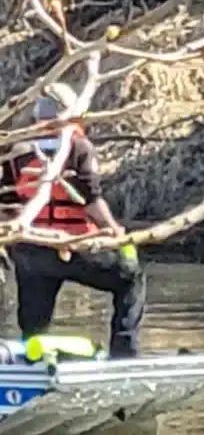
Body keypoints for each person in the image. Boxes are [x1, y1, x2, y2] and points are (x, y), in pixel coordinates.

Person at [2, 82, 145, 358]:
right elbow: (91, 201)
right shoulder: (79, 147)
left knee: (34, 321)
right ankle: (124, 353)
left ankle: (32, 360)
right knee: (131, 278)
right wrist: (116, 233)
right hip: (76, 245)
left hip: (32, 249)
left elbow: (6, 203)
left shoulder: (14, 152)